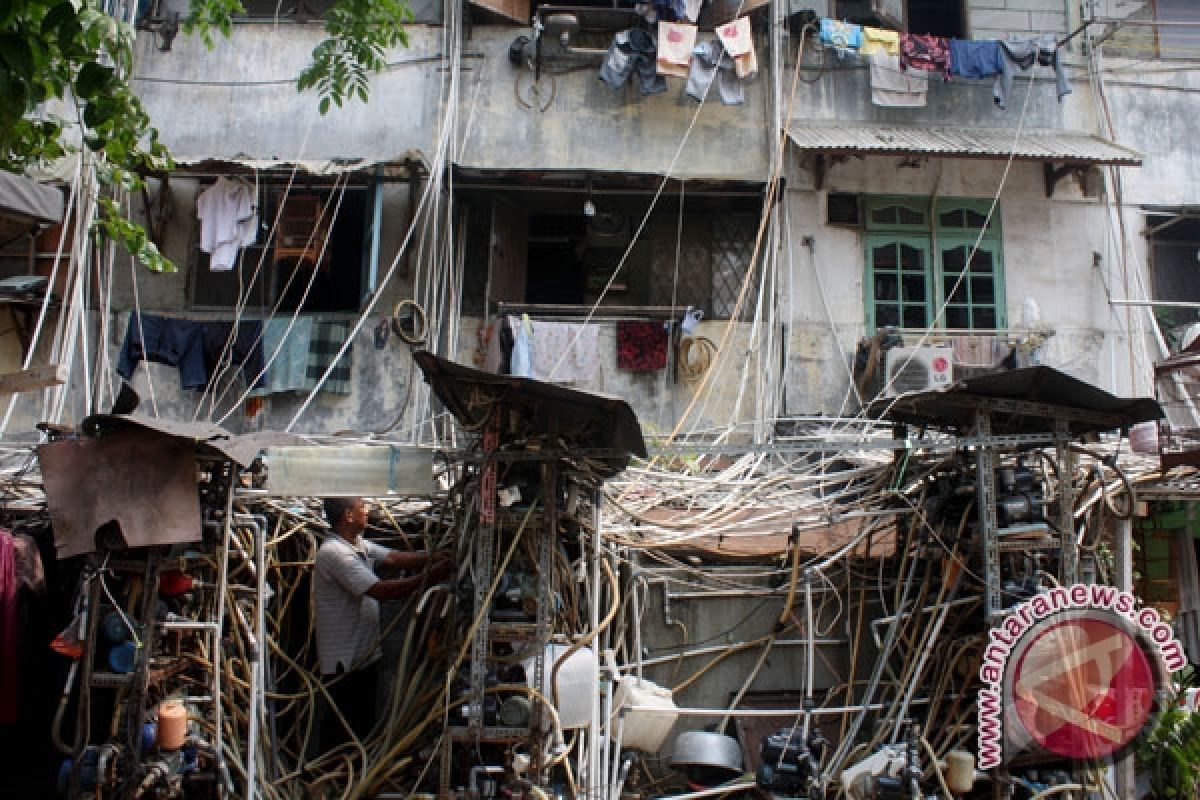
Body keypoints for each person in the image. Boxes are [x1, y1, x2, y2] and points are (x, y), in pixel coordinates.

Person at [314, 496, 451, 746]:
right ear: (348, 516)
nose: (367, 510)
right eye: (362, 507)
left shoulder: (356, 545)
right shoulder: (335, 553)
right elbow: (382, 591)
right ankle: (331, 775)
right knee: (342, 724)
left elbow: (394, 558)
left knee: (362, 723)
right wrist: (432, 576)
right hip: (343, 660)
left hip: (364, 655)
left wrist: (436, 556)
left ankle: (351, 773)